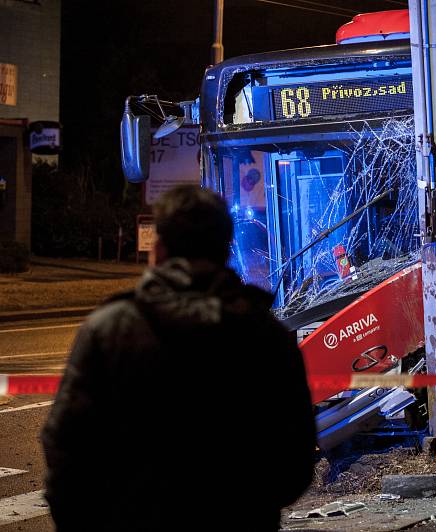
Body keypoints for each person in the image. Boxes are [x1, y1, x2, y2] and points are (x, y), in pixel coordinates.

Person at [42, 185, 316, 531]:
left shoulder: (109, 329)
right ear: (225, 249)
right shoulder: (265, 334)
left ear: (158, 250)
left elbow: (66, 447)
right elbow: (295, 457)